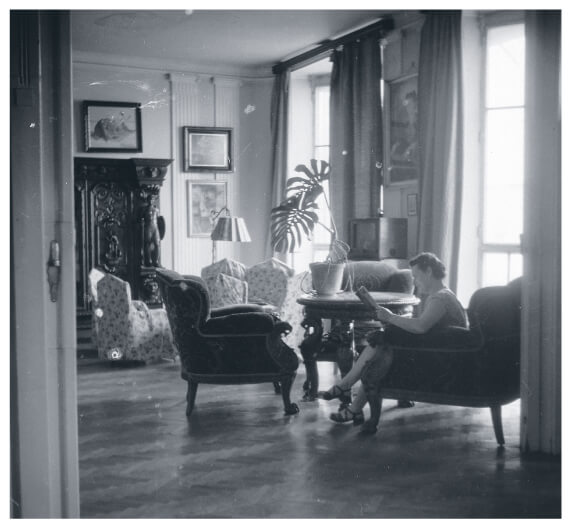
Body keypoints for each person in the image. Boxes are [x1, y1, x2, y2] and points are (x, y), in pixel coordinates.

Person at [317, 252, 468, 428]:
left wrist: (390, 317)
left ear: (428, 272)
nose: (415, 282)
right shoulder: (445, 294)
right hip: (440, 353)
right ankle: (352, 404)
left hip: (440, 359)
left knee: (378, 350)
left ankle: (346, 388)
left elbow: (420, 327)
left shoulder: (440, 298)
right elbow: (425, 329)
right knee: (377, 350)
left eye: (416, 276)